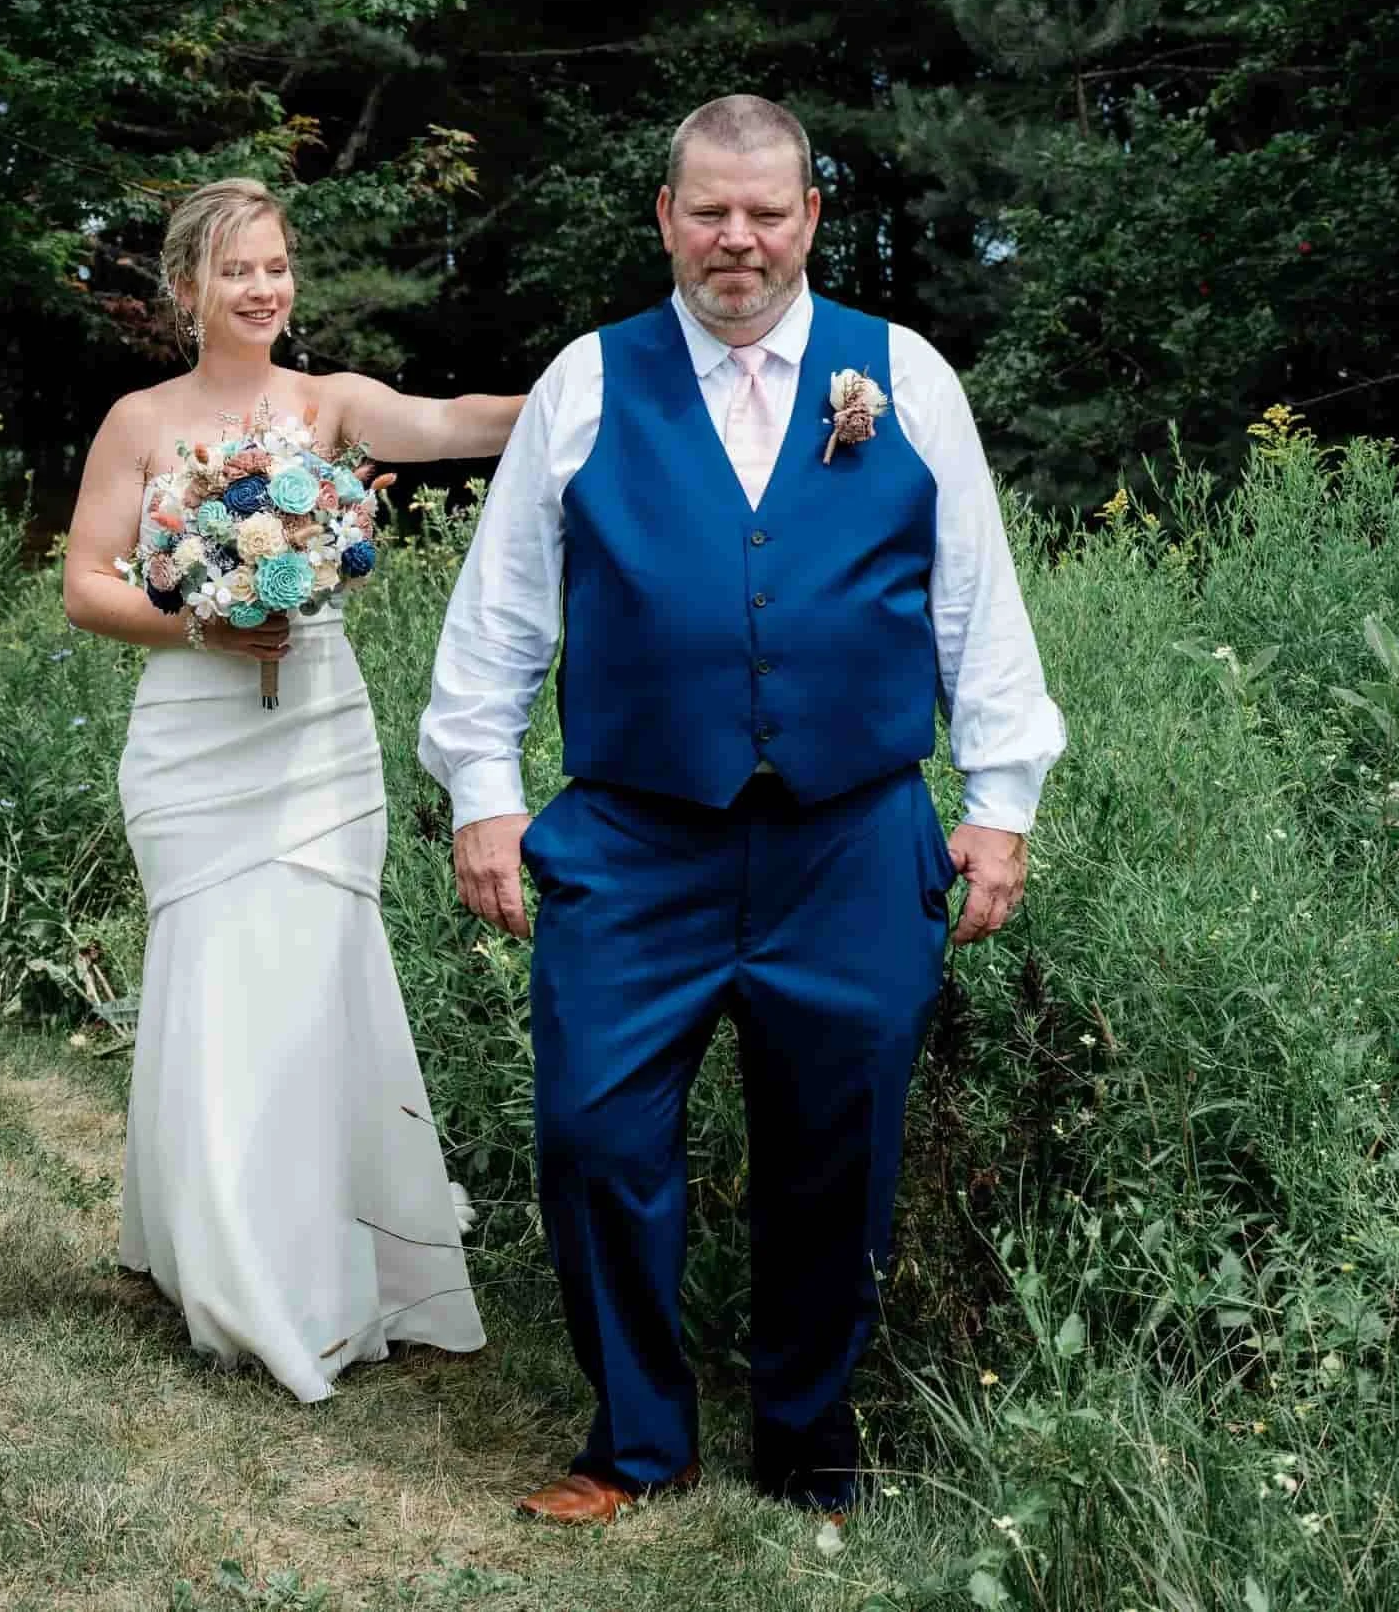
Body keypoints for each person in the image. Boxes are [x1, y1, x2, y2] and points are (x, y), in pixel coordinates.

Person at [416, 96, 1066, 1522]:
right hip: (636, 835)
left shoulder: (906, 379)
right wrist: (481, 789)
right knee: (594, 1130)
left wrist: (1001, 799)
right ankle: (637, 1441)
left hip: (853, 833)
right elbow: (504, 611)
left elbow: (978, 606)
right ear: (665, 216)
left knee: (839, 1148)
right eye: (709, 210)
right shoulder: (587, 383)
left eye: (767, 212)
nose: (738, 239)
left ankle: (808, 1446)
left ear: (811, 219)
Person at [63, 177, 523, 1400]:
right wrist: (202, 624)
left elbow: (455, 420)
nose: (263, 288)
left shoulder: (329, 406)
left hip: (318, 736)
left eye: (276, 266)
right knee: (219, 987)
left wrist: (589, 394)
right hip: (193, 742)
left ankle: (335, 1271)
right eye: (236, 272)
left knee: (316, 987)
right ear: (185, 291)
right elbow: (86, 585)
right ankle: (234, 1276)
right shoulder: (139, 419)